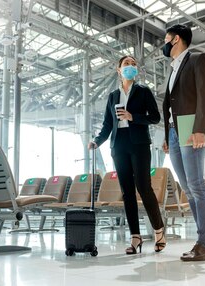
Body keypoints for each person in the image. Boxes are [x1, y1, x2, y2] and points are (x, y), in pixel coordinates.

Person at [88, 55, 165, 255]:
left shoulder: (143, 91)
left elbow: (155, 117)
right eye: (126, 64)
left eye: (133, 64)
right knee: (127, 192)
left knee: (144, 187)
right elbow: (107, 124)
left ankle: (158, 231)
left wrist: (133, 117)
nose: (131, 66)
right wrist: (97, 141)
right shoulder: (113, 95)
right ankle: (135, 237)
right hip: (118, 144)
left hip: (138, 143)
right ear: (118, 69)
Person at [161, 24, 205, 261]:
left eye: (166, 39)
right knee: (187, 188)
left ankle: (204, 242)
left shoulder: (197, 59)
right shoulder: (173, 69)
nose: (163, 44)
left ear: (176, 40)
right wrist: (167, 135)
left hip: (190, 130)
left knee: (196, 185)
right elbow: (171, 104)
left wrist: (200, 129)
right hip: (174, 133)